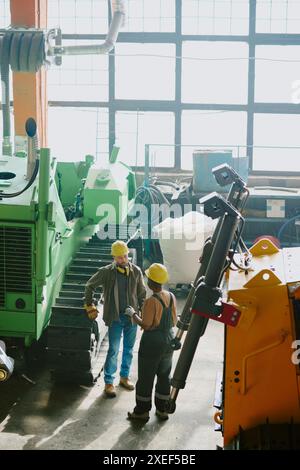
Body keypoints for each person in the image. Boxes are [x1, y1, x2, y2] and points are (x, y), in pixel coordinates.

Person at [84, 240, 146, 398]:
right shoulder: (106, 272)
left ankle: (124, 378)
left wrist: (142, 314)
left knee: (129, 350)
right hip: (115, 318)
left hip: (132, 318)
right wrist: (90, 305)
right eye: (119, 258)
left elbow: (141, 294)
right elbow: (89, 285)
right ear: (114, 257)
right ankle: (109, 382)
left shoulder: (136, 271)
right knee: (113, 350)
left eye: (125, 256)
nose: (123, 260)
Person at [125, 263, 177, 421]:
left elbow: (146, 324)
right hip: (169, 339)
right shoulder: (171, 296)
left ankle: (142, 412)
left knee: (146, 378)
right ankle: (162, 410)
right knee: (164, 376)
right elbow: (174, 321)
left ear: (151, 282)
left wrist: (133, 314)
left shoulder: (151, 301)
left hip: (152, 342)